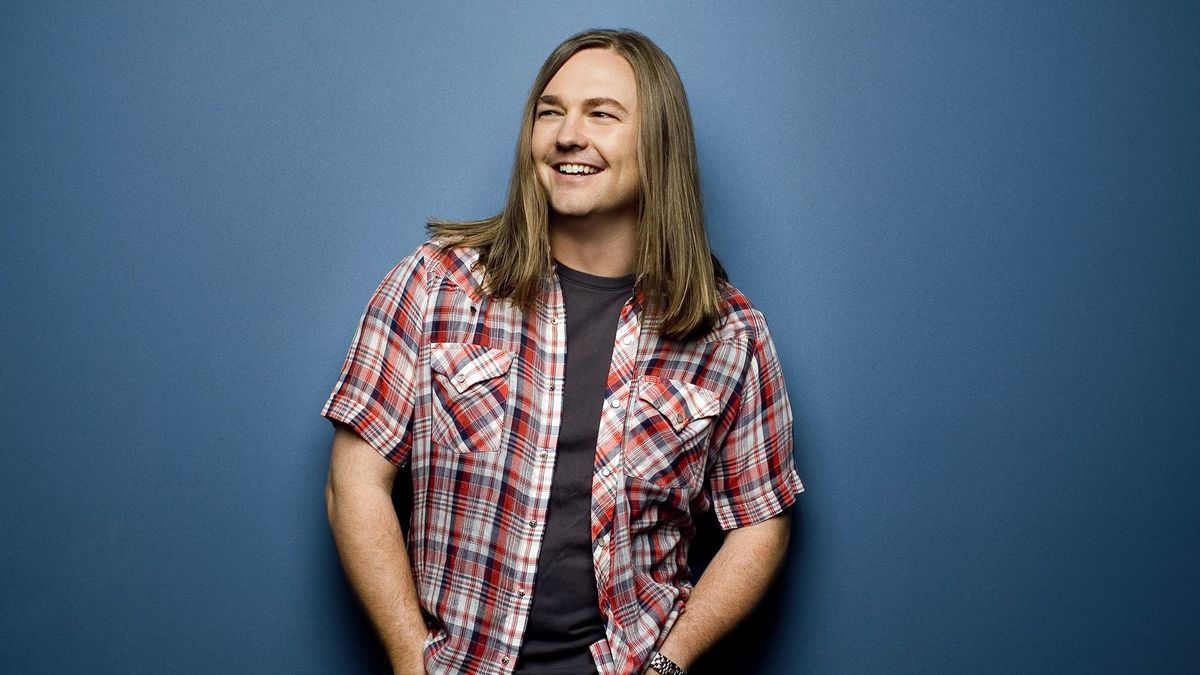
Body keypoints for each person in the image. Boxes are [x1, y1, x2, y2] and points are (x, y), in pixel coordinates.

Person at [322, 28, 804, 675]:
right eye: (551, 112)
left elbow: (761, 519)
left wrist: (670, 662)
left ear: (658, 143)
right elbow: (354, 482)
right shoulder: (435, 285)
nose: (567, 135)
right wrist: (411, 658)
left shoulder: (730, 333)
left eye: (601, 114)